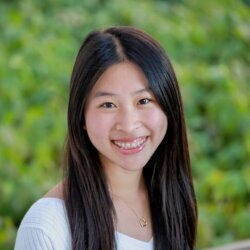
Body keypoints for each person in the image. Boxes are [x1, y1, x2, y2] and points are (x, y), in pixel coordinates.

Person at [15, 26, 197, 250]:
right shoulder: (46, 227)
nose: (129, 125)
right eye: (108, 105)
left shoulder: (171, 196)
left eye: (144, 101)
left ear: (169, 105)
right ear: (80, 116)